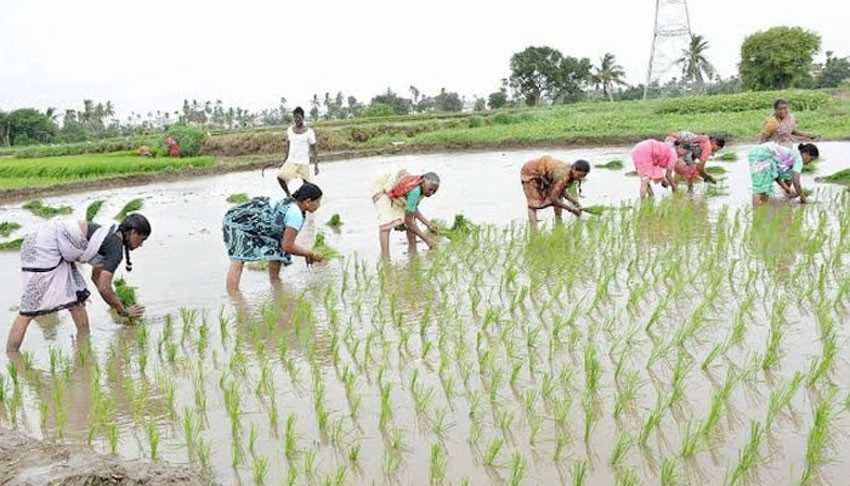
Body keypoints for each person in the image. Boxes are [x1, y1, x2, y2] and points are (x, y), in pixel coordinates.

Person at [6, 214, 151, 353]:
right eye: (142, 240)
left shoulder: (111, 237)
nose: (141, 245)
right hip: (43, 246)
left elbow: (97, 278)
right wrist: (123, 311)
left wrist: (115, 303)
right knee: (30, 307)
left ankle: (84, 344)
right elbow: (104, 286)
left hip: (48, 243)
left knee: (76, 298)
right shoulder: (115, 247)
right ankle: (12, 354)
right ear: (133, 233)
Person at [223, 182, 324, 292]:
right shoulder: (295, 214)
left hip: (256, 222)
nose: (319, 205)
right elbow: (287, 246)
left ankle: (276, 287)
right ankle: (234, 297)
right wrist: (310, 253)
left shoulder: (293, 202)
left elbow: (281, 243)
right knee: (239, 258)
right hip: (238, 221)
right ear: (308, 202)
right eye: (317, 201)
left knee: (276, 248)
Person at [371, 167, 440, 260]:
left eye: (434, 191)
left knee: (410, 219)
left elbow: (412, 208)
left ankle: (412, 250)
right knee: (385, 226)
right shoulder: (415, 192)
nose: (431, 193)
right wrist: (427, 241)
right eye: (430, 189)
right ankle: (385, 258)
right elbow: (408, 222)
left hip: (397, 185)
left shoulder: (422, 188)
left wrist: (428, 224)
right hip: (382, 185)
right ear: (423, 182)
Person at [519, 156, 590, 229]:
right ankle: (534, 229)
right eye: (579, 175)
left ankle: (558, 221)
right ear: (574, 169)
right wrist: (571, 209)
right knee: (533, 203)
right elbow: (554, 198)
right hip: (530, 171)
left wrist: (575, 202)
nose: (580, 178)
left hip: (544, 171)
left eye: (584, 176)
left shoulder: (570, 173)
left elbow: (561, 191)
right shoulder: (563, 176)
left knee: (558, 195)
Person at [748, 142, 819, 207]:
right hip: (763, 154)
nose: (809, 162)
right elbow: (796, 182)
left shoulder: (792, 156)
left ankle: (762, 210)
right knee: (759, 188)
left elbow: (775, 175)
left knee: (765, 187)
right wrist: (803, 198)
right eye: (811, 159)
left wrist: (787, 188)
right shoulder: (798, 159)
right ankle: (757, 214)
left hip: (758, 152)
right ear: (806, 153)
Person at [277, 107, 318, 197]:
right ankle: (288, 194)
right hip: (292, 161)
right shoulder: (290, 130)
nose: (296, 119)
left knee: (307, 186)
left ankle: (305, 201)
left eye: (298, 117)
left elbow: (314, 149)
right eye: (295, 117)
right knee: (280, 177)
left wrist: (316, 165)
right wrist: (284, 160)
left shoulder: (309, 132)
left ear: (303, 118)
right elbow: (288, 146)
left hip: (304, 162)